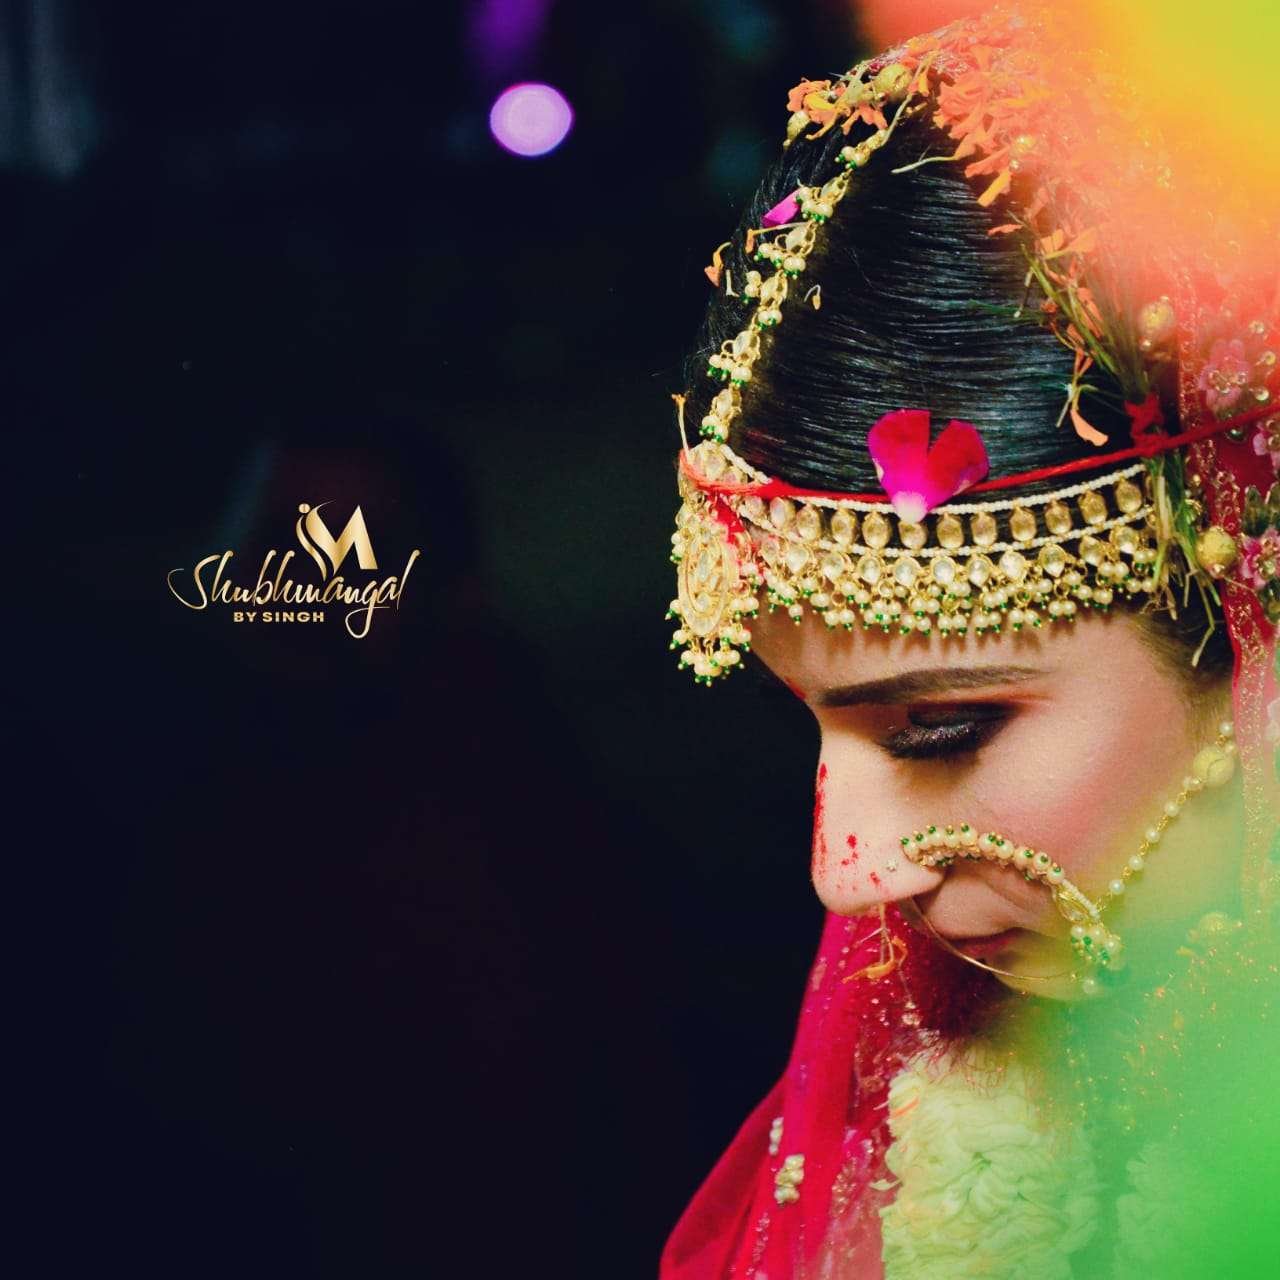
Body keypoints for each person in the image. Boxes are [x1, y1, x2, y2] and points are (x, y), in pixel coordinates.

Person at [659, 5, 1280, 1277]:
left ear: (1246, 637)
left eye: (938, 730)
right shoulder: (923, 1099)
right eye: (812, 727)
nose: (847, 876)